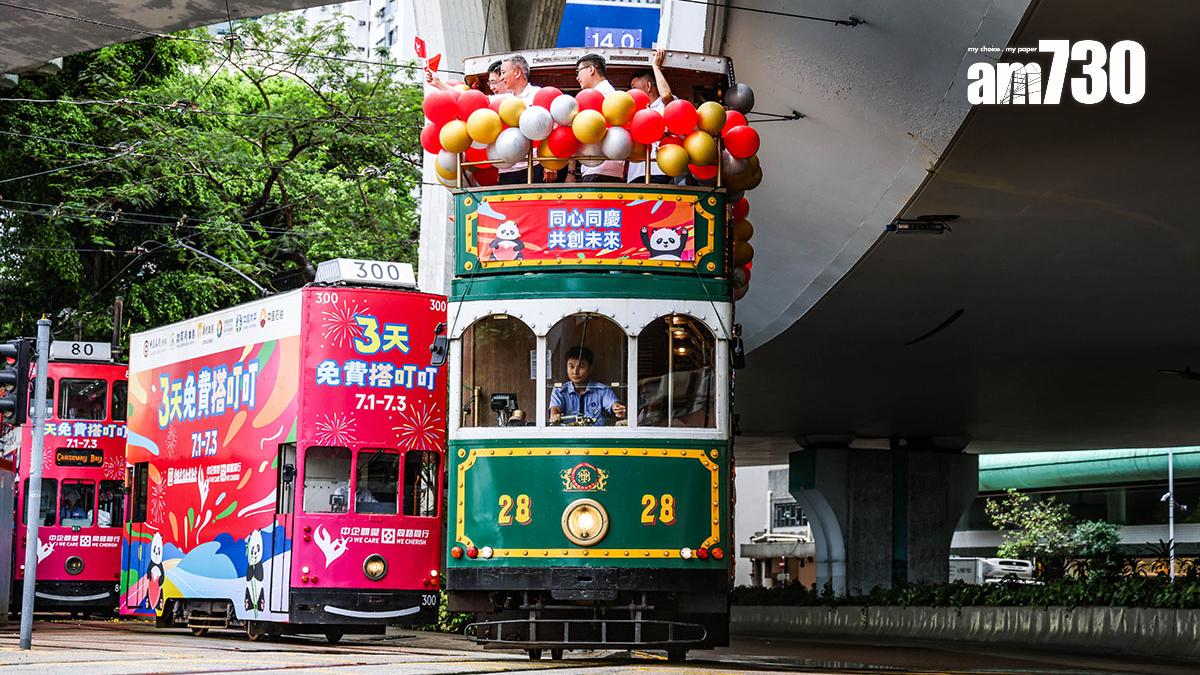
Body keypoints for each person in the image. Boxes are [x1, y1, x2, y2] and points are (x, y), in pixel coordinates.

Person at [573, 54, 625, 183]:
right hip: (611, 165)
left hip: (598, 166)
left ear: (591, 70)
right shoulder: (612, 94)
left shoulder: (597, 95)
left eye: (579, 71)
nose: (577, 77)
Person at [628, 49, 675, 185]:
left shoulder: (663, 104)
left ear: (648, 85)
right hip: (635, 176)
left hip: (659, 172)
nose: (631, 92)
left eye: (634, 87)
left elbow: (667, 96)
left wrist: (656, 67)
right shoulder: (632, 111)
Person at [548, 346, 627, 426]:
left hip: (596, 436)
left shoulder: (602, 390)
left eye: (581, 367)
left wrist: (617, 408)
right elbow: (555, 409)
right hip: (569, 436)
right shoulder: (559, 390)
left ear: (590, 369)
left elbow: (613, 403)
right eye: (571, 367)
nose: (575, 372)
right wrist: (555, 415)